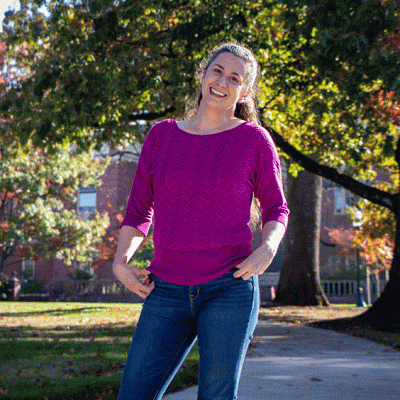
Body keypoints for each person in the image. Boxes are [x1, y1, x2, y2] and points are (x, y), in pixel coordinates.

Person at [113, 42, 289, 400]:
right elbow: (138, 211)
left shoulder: (254, 140)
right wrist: (121, 261)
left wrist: (268, 247)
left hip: (229, 287)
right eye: (217, 71)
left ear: (245, 92)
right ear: (204, 74)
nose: (222, 81)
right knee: (133, 394)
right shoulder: (161, 136)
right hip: (165, 289)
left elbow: (276, 209)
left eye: (234, 77)